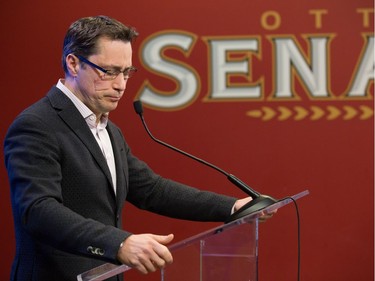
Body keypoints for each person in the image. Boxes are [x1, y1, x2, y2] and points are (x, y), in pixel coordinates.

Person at [4, 15, 273, 281]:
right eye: (108, 71)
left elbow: (150, 190)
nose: (121, 85)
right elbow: (37, 210)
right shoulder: (37, 125)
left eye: (126, 72)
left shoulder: (108, 129)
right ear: (73, 63)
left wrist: (231, 207)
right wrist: (120, 243)